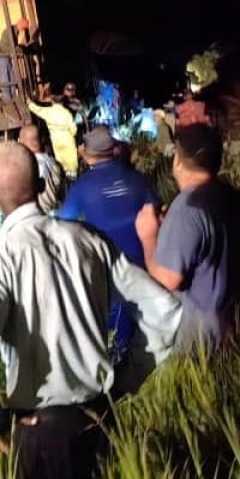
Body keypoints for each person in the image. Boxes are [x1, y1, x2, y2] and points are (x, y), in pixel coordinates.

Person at [0, 141, 183, 479]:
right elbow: (164, 309)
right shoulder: (90, 241)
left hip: (37, 436)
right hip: (100, 422)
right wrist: (127, 378)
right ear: (43, 186)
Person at [135, 124, 240, 351]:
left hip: (201, 341)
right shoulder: (236, 199)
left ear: (177, 160)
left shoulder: (186, 209)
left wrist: (148, 237)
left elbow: (166, 279)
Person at [54, 126, 159, 397]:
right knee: (138, 322)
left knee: (113, 328)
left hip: (105, 269)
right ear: (113, 150)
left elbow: (63, 223)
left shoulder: (81, 189)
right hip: (141, 263)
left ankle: (114, 385)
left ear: (87, 156)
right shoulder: (137, 179)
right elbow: (154, 209)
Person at [27, 84, 79, 179]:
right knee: (71, 160)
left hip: (56, 139)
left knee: (59, 159)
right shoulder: (66, 112)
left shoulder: (49, 112)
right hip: (67, 139)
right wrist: (71, 135)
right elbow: (74, 129)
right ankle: (73, 175)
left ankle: (63, 176)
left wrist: (30, 103)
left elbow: (37, 110)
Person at [17, 124, 66, 213]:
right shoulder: (53, 162)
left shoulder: (30, 167)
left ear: (20, 142)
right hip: (56, 212)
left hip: (41, 215)